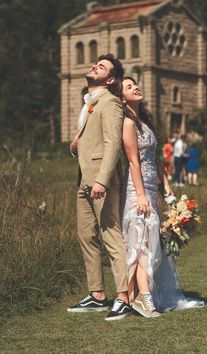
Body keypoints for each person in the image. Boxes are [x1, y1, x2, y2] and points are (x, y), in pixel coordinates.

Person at [121, 77, 204, 318]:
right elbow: (133, 161)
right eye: (129, 86)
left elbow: (154, 159)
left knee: (150, 245)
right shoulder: (127, 123)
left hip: (151, 189)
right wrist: (140, 195)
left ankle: (132, 297)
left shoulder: (145, 123)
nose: (136, 87)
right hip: (136, 189)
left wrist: (165, 184)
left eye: (136, 84)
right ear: (122, 97)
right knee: (140, 245)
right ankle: (142, 300)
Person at [68, 54, 132, 321]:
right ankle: (97, 295)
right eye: (96, 63)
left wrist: (102, 180)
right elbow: (92, 140)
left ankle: (124, 297)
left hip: (101, 181)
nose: (94, 66)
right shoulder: (89, 102)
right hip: (84, 179)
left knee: (110, 235)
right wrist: (76, 145)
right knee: (87, 237)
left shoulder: (111, 103)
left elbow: (112, 145)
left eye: (102, 66)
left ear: (110, 79)